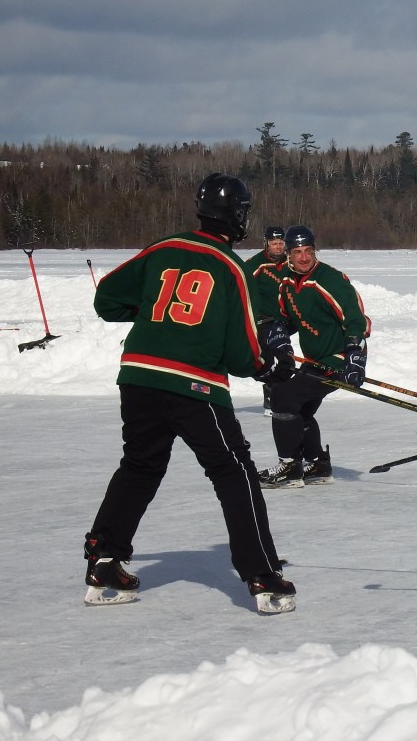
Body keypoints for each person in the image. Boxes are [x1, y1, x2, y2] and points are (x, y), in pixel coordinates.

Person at [84, 173, 298, 614]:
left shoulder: (162, 248)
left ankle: (104, 559)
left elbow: (106, 299)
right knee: (233, 471)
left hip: (139, 376)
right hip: (194, 384)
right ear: (237, 216)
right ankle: (262, 575)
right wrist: (267, 367)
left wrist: (155, 315)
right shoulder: (231, 267)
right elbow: (242, 353)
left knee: (140, 465)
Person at [258, 224, 370, 489]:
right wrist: (278, 336)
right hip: (315, 360)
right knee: (300, 409)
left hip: (338, 358)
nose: (304, 257)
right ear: (288, 254)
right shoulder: (287, 282)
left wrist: (354, 358)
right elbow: (287, 318)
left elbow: (355, 320)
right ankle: (317, 464)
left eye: (308, 251)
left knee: (283, 397)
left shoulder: (329, 280)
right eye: (297, 252)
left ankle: (289, 466)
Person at [245, 226, 288, 416]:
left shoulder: (291, 263)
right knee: (270, 359)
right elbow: (239, 285)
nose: (278, 247)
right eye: (274, 243)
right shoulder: (256, 264)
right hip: (264, 320)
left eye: (281, 243)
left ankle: (279, 396)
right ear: (266, 244)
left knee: (285, 360)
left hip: (285, 320)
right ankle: (272, 397)